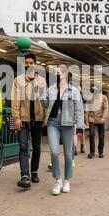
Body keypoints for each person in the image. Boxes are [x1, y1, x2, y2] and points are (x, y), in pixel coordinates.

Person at [41, 67, 84, 196]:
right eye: (55, 73)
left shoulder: (74, 91)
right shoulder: (51, 89)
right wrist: (41, 95)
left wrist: (80, 127)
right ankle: (57, 180)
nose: (56, 74)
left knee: (68, 155)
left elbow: (79, 110)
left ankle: (67, 181)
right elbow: (45, 104)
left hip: (68, 124)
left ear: (65, 74)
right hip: (52, 123)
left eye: (58, 72)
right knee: (54, 152)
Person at [12, 53, 47, 189]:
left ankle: (34, 172)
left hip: (38, 119)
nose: (29, 65)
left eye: (31, 62)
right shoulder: (18, 81)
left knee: (37, 147)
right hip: (24, 119)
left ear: (35, 64)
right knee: (23, 147)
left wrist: (45, 117)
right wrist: (16, 117)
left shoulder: (42, 81)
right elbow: (15, 101)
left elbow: (45, 101)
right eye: (26, 63)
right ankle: (25, 175)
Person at [86, 85, 109, 159]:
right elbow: (87, 109)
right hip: (92, 118)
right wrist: (86, 119)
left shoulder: (104, 98)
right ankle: (92, 152)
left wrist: (103, 117)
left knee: (101, 136)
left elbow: (106, 108)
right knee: (92, 134)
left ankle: (100, 151)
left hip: (100, 119)